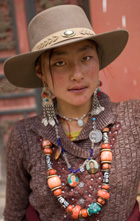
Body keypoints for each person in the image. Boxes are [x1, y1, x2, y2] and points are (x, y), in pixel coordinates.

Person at [3, 4, 140, 221]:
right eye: (60, 63)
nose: (77, 74)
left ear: (98, 60)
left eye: (86, 58)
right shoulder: (24, 136)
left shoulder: (134, 119)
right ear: (41, 72)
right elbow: (14, 215)